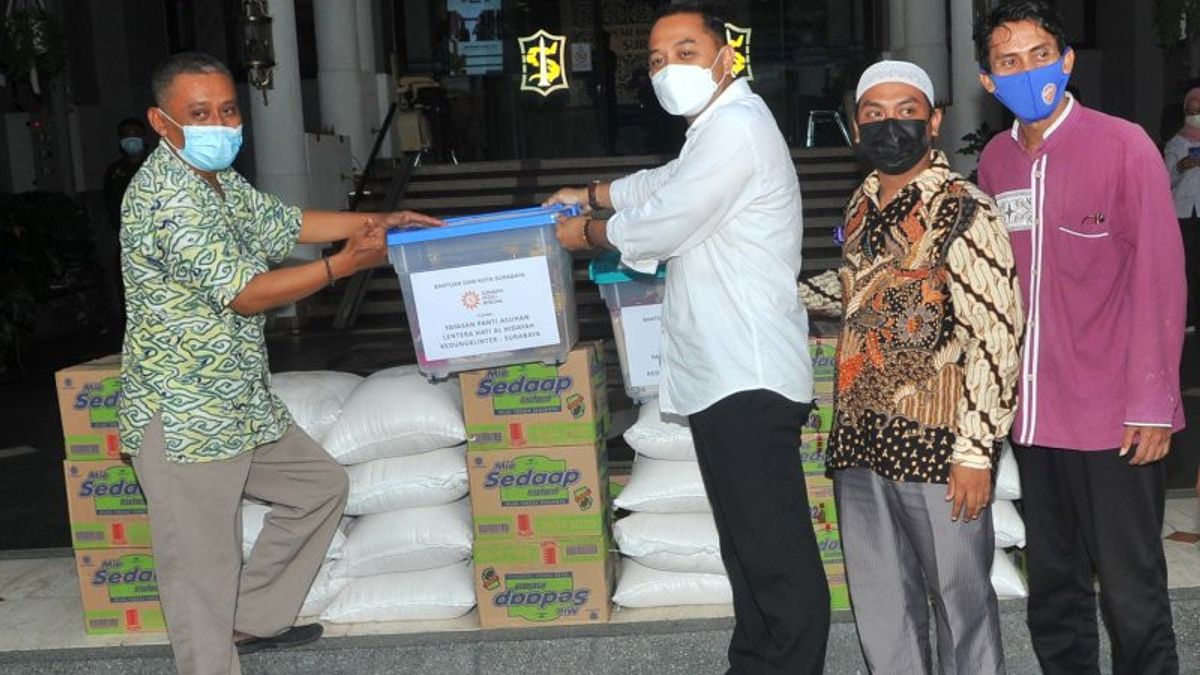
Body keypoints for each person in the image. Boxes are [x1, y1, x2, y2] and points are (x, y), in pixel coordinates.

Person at [119, 51, 441, 675]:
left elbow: (288, 221)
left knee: (319, 488)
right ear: (163, 123)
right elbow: (246, 291)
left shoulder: (217, 182)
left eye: (228, 108)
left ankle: (254, 620)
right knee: (200, 574)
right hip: (184, 416)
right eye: (200, 113)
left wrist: (380, 218)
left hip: (237, 403)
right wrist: (344, 264)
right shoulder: (166, 198)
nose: (220, 123)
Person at [546, 4, 830, 673]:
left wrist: (586, 231)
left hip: (747, 374)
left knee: (776, 560)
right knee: (748, 550)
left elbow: (669, 218)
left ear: (726, 57)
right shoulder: (714, 133)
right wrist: (592, 193)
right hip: (723, 374)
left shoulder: (737, 128)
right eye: (656, 59)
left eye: (686, 50)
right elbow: (663, 183)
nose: (670, 68)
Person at [974, 3, 1186, 674]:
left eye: (1040, 55)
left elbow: (1160, 275)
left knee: (1131, 594)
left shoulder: (1124, 146)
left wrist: (1153, 404)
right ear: (987, 80)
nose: (1026, 71)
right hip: (1034, 421)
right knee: (1055, 592)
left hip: (1114, 421)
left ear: (1067, 61)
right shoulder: (995, 162)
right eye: (1008, 62)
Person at [800, 61, 1023, 675]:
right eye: (873, 113)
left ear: (934, 121)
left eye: (905, 111)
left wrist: (977, 453)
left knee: (961, 605)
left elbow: (997, 337)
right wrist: (777, 294)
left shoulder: (965, 210)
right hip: (861, 440)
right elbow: (856, 290)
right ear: (854, 126)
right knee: (881, 608)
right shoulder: (864, 200)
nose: (889, 124)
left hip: (939, 446)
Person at [1164, 87, 1200, 334]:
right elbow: (1164, 179)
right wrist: (1181, 166)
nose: (1195, 114)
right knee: (1186, 268)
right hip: (1184, 214)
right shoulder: (1175, 143)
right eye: (1191, 110)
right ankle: (1186, 317)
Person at [104, 117, 150, 233]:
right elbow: (111, 205)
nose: (131, 140)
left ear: (144, 138)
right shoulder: (114, 171)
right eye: (126, 136)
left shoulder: (157, 167)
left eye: (135, 135)